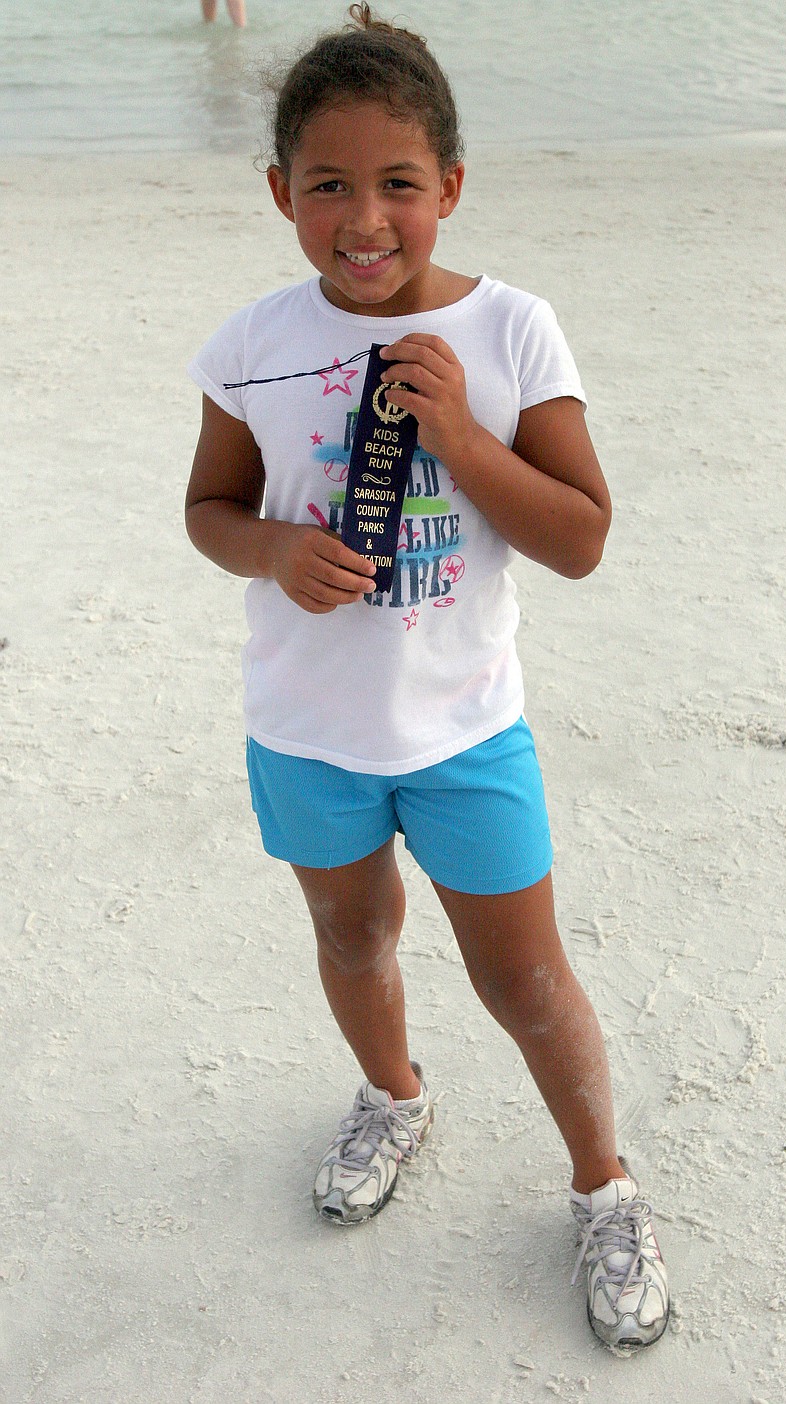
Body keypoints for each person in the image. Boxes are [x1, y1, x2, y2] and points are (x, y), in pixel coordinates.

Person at [185, 2, 670, 1351]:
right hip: (302, 731)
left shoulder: (513, 329)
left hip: (463, 734)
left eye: (398, 183)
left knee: (523, 984)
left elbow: (577, 538)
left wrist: (458, 429)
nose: (364, 218)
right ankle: (392, 1095)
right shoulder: (250, 343)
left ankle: (601, 1182)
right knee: (351, 938)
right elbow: (209, 512)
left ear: (449, 186)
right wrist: (275, 549)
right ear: (279, 191)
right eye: (327, 184)